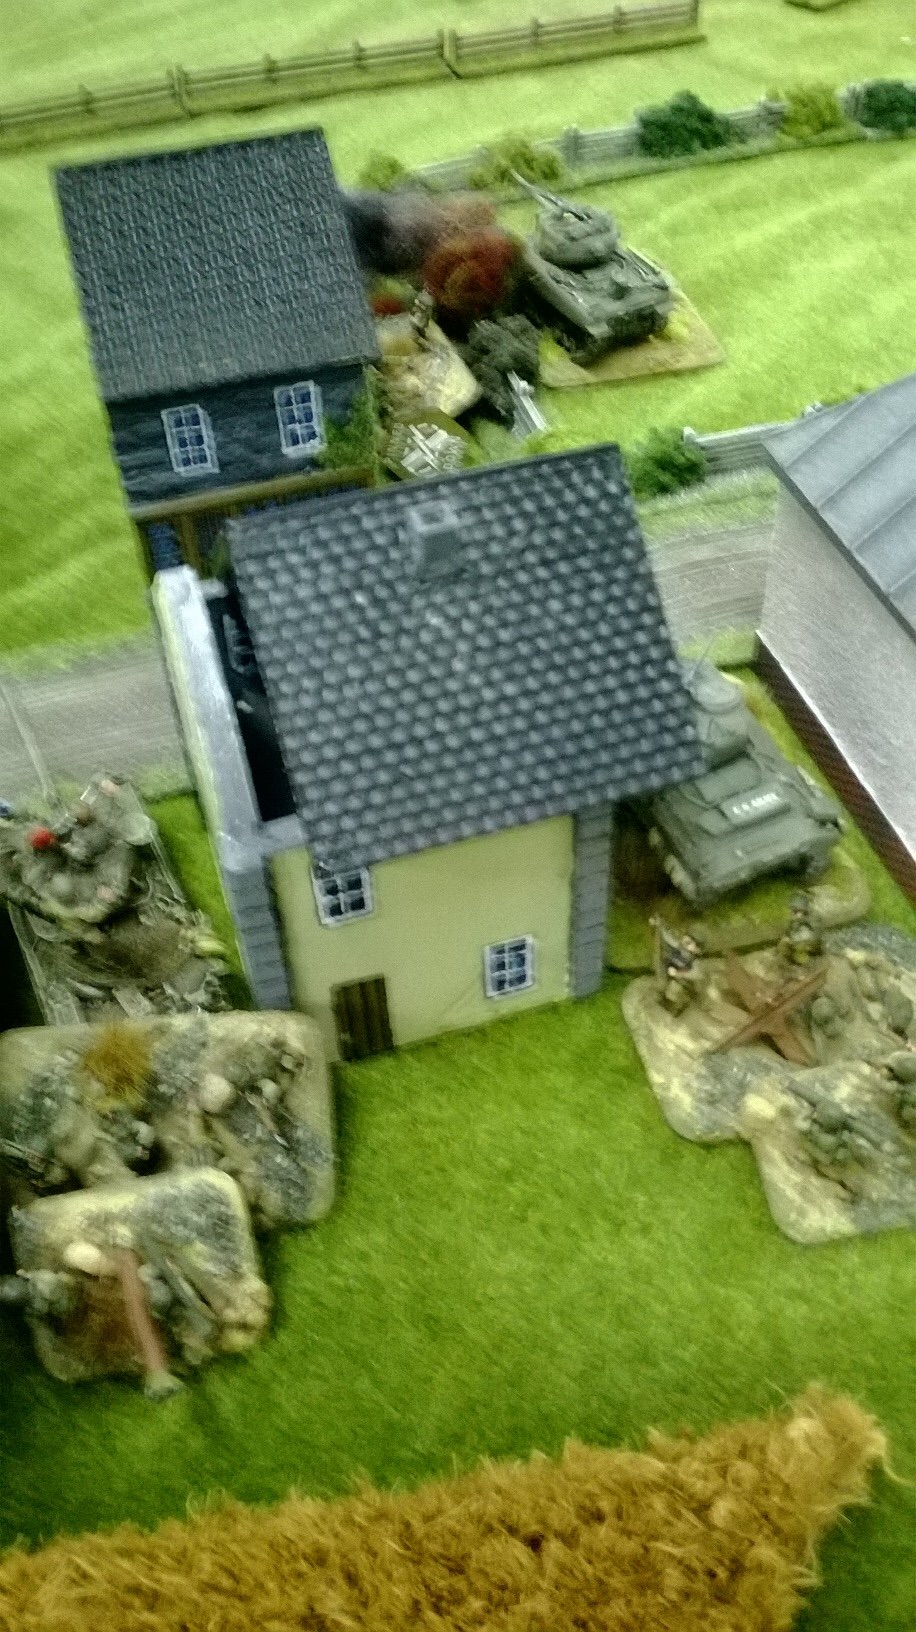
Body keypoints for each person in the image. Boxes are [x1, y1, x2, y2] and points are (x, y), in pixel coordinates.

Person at [777, 893, 823, 967]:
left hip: (809, 944)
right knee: (783, 945)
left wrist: (793, 942)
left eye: (795, 911)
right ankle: (791, 960)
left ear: (803, 910)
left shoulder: (813, 918)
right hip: (798, 940)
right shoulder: (794, 918)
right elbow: (788, 931)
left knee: (801, 947)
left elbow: (815, 936)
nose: (792, 913)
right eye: (792, 911)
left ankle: (804, 962)